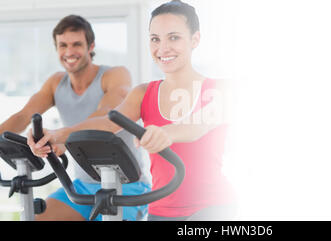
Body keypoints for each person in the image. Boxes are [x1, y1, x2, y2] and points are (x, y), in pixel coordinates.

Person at [29, 0, 237, 221]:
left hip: (211, 207)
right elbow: (106, 124)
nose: (163, 48)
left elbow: (199, 125)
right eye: (155, 39)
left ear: (195, 39)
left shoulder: (220, 89)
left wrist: (167, 133)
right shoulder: (143, 93)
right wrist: (57, 134)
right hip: (161, 209)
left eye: (174, 37)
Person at [0, 15, 151, 221]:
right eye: (63, 45)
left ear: (91, 46)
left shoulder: (115, 75)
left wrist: (64, 138)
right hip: (81, 187)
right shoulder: (55, 83)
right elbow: (24, 115)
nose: (69, 52)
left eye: (77, 44)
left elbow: (106, 116)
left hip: (129, 185)